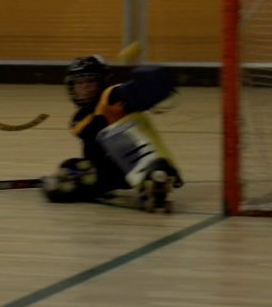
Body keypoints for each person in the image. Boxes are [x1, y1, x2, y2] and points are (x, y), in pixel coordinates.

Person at [43, 55, 184, 212]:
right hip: (109, 171)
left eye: (90, 81)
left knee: (62, 185)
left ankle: (152, 179)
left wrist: (147, 79)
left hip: (137, 162)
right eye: (79, 83)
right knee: (68, 168)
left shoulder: (109, 97)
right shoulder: (79, 118)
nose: (85, 87)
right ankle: (152, 182)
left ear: (103, 81)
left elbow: (128, 93)